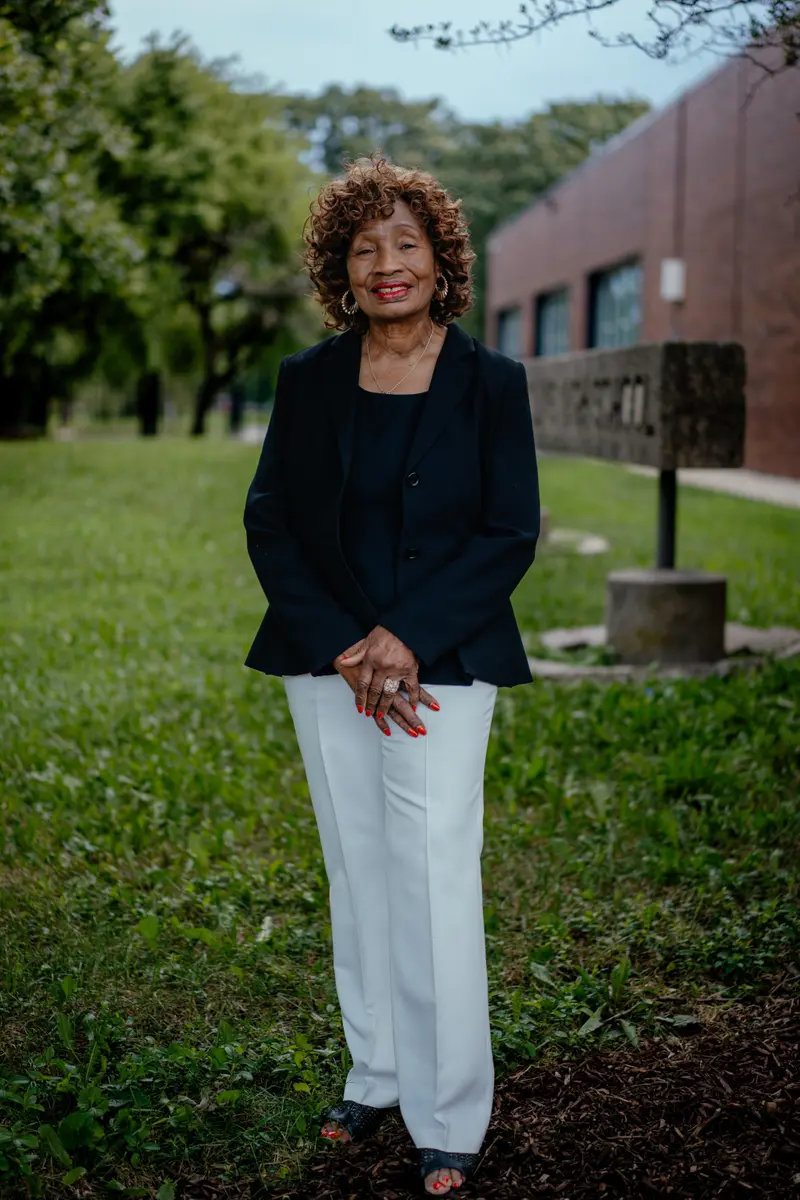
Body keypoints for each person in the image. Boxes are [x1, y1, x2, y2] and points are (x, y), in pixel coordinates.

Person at [243, 157, 540, 1196]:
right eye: (362, 247)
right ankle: (373, 1071)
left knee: (429, 874)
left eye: (405, 243)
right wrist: (345, 644)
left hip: (443, 665)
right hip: (325, 663)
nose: (385, 264)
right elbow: (270, 520)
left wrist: (403, 638)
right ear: (340, 268)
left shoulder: (492, 384)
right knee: (357, 868)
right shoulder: (305, 381)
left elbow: (508, 532)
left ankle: (448, 1111)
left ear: (440, 261)